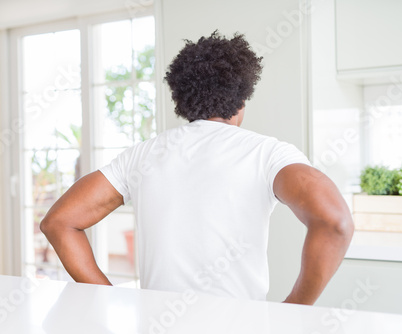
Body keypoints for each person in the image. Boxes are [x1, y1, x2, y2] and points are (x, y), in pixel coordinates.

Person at [40, 31, 354, 305]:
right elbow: (335, 221)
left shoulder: (142, 156)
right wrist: (295, 311)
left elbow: (59, 223)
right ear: (241, 100)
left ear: (182, 98)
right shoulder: (268, 153)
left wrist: (109, 298)